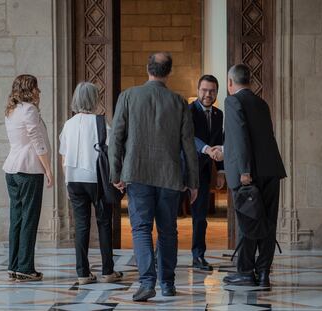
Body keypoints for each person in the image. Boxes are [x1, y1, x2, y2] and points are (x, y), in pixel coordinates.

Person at [108, 52, 199, 301]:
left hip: (137, 174)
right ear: (169, 72)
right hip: (170, 176)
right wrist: (193, 182)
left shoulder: (127, 96)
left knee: (141, 229)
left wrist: (115, 173)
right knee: (168, 231)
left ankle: (147, 282)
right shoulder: (179, 102)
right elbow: (188, 145)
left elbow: (115, 138)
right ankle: (167, 283)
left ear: (147, 68)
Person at [221, 64, 286, 287]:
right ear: (249, 81)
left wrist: (244, 170)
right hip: (271, 170)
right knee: (267, 222)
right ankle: (264, 273)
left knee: (248, 221)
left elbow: (239, 137)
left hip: (250, 174)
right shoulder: (261, 103)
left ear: (230, 82)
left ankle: (246, 272)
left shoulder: (232, 101)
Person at [59, 82, 122, 285]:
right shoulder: (101, 124)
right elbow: (112, 155)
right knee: (104, 223)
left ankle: (83, 273)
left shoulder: (68, 124)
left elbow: (63, 157)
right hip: (96, 180)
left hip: (74, 180)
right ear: (95, 99)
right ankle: (107, 271)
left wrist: (67, 183)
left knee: (81, 225)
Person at [3, 74, 53, 282]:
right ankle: (26, 268)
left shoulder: (11, 110)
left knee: (17, 218)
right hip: (29, 169)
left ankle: (14, 265)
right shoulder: (29, 110)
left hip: (12, 170)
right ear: (29, 89)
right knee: (29, 219)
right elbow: (36, 140)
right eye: (36, 87)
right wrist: (48, 169)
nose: (38, 91)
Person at [189, 75, 225, 271]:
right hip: (183, 170)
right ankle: (160, 256)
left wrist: (221, 170)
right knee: (167, 216)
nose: (207, 94)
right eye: (204, 90)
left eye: (212, 91)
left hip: (203, 172)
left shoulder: (219, 114)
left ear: (216, 93)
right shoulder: (188, 111)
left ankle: (198, 256)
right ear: (198, 90)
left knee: (200, 217)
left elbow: (219, 139)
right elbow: (189, 136)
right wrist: (207, 149)